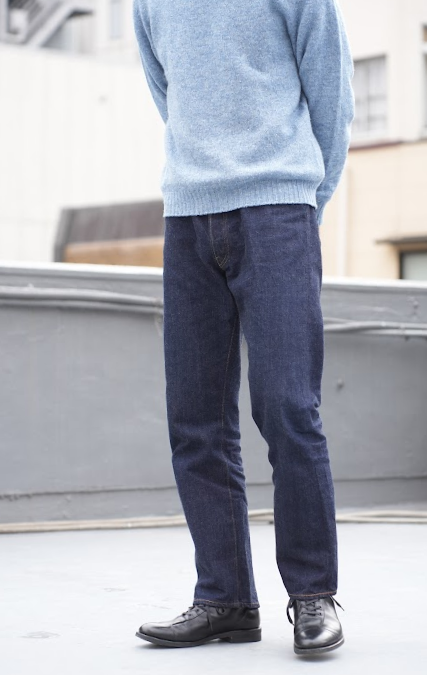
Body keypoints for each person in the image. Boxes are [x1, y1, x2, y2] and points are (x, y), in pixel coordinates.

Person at [132, 0, 355, 655]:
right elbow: (167, 94)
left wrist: (306, 201)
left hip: (278, 208)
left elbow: (332, 95)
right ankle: (224, 598)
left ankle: (312, 594)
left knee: (288, 405)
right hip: (187, 216)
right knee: (194, 419)